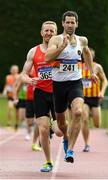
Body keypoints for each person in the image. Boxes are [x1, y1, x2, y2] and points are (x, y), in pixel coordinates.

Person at [45, 11, 97, 163]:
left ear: (77, 24)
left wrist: (91, 71)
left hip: (75, 83)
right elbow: (48, 58)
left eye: (72, 22)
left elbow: (87, 54)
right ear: (62, 23)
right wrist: (61, 47)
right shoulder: (56, 39)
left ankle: (70, 150)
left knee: (79, 112)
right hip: (59, 85)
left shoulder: (82, 40)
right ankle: (66, 138)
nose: (69, 25)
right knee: (62, 123)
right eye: (67, 22)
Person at [21, 21, 62, 172]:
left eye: (52, 31)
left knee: (59, 131)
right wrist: (30, 80)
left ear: (56, 33)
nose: (49, 33)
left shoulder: (61, 50)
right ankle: (48, 162)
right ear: (41, 32)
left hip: (58, 93)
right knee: (43, 129)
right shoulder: (33, 51)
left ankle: (56, 126)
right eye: (46, 30)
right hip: (40, 94)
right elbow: (23, 74)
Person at [81, 48, 108, 152]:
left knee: (97, 125)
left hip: (95, 98)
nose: (88, 57)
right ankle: (86, 144)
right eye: (86, 56)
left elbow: (105, 80)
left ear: (92, 57)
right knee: (84, 119)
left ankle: (93, 113)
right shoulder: (79, 67)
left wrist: (102, 92)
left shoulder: (97, 67)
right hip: (83, 98)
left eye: (90, 56)